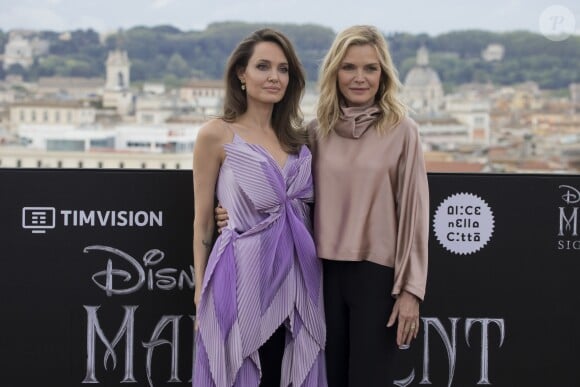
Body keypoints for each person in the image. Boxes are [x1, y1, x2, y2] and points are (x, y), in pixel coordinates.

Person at [217, 25, 429, 387]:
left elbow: (415, 213)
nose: (359, 78)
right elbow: (284, 195)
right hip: (317, 276)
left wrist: (411, 290)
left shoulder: (402, 130)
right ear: (334, 72)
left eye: (370, 69)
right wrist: (234, 213)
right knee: (319, 380)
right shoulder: (314, 132)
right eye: (349, 67)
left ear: (383, 75)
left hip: (376, 277)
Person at [192, 28, 327, 387]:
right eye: (263, 66)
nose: (274, 77)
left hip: (299, 281)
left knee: (293, 370)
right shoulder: (215, 134)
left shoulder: (300, 140)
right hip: (238, 280)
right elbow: (203, 222)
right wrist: (199, 294)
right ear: (241, 73)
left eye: (283, 69)